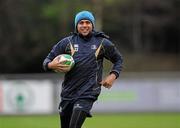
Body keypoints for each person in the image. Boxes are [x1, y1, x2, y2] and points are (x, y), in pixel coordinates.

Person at [43, 10, 123, 128]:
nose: (84, 25)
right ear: (76, 25)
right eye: (81, 23)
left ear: (92, 25)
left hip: (88, 93)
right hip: (68, 93)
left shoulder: (102, 43)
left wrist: (113, 75)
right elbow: (46, 61)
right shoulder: (67, 42)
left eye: (87, 22)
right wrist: (51, 65)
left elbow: (118, 60)